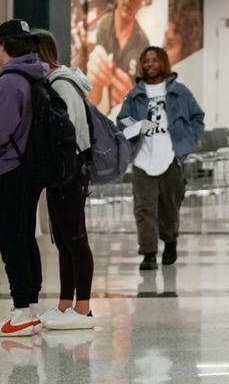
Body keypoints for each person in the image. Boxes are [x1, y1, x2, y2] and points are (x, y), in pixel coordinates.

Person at [0, 19, 53, 339]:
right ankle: (30, 305)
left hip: (9, 169)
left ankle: (20, 312)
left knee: (10, 240)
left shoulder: (9, 82)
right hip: (31, 169)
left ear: (2, 44)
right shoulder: (35, 75)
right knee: (25, 235)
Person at [118, 45, 205, 270]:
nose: (149, 64)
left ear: (163, 63)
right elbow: (123, 120)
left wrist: (187, 141)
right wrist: (138, 126)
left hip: (171, 158)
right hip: (142, 159)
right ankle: (148, 253)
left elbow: (198, 117)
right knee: (144, 208)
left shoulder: (179, 91)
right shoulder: (135, 93)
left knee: (169, 206)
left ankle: (170, 241)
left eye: (154, 60)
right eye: (145, 61)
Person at [35, 30, 97, 330]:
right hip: (63, 170)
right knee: (62, 239)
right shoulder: (55, 83)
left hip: (71, 170)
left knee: (75, 237)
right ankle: (64, 304)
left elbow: (68, 133)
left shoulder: (62, 84)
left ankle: (83, 307)